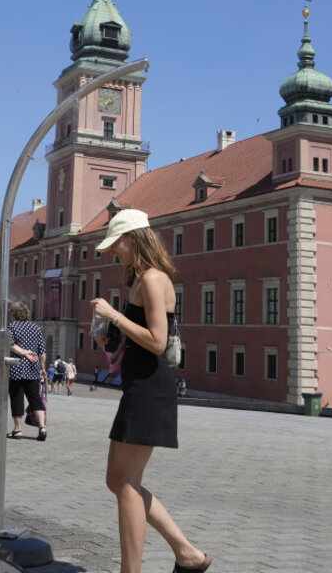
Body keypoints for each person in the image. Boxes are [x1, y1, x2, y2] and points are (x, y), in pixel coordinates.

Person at [91, 208, 210, 573]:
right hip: (138, 387)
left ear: (134, 238)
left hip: (149, 390)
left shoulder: (154, 279)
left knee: (125, 484)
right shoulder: (140, 279)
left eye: (117, 244)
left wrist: (114, 316)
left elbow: (158, 342)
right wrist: (105, 339)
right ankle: (186, 554)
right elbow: (133, 341)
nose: (114, 252)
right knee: (118, 480)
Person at [6, 301, 47, 441]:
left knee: (16, 397)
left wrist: (24, 353)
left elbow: (11, 346)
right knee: (35, 397)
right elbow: (42, 351)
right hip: (33, 368)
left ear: (14, 314)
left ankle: (18, 430)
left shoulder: (11, 326)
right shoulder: (36, 328)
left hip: (17, 367)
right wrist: (42, 368)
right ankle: (42, 427)